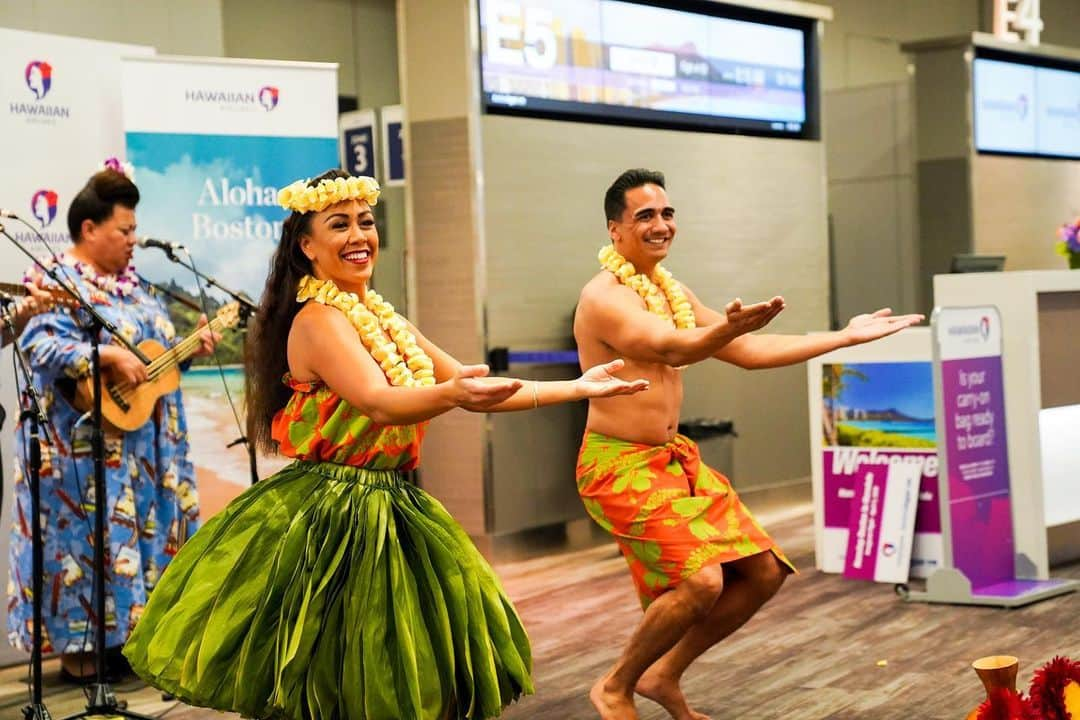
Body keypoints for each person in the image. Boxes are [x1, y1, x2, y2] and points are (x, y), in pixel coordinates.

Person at [122, 169, 649, 720]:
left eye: (366, 223)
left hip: (393, 503)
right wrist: (449, 392)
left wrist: (578, 388)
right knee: (340, 680)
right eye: (339, 224)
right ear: (306, 245)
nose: (358, 236)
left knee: (419, 677)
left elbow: (477, 389)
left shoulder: (382, 316)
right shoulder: (318, 321)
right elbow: (378, 401)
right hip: (332, 516)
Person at [573, 169, 923, 720]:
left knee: (762, 572)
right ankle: (615, 685)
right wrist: (726, 331)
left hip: (673, 462)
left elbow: (751, 352)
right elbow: (664, 346)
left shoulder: (670, 290)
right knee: (703, 581)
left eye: (667, 213)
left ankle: (663, 675)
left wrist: (843, 337)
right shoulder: (603, 297)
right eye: (645, 216)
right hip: (617, 464)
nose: (661, 225)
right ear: (614, 230)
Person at [7, 168, 217, 683]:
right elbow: (38, 346)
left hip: (148, 452)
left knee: (144, 542)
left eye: (133, 230)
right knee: (84, 547)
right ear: (88, 229)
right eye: (124, 231)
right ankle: (82, 654)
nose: (133, 241)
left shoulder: (138, 288)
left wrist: (186, 354)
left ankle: (135, 644)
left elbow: (149, 369)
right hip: (84, 452)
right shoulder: (56, 282)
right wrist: (102, 354)